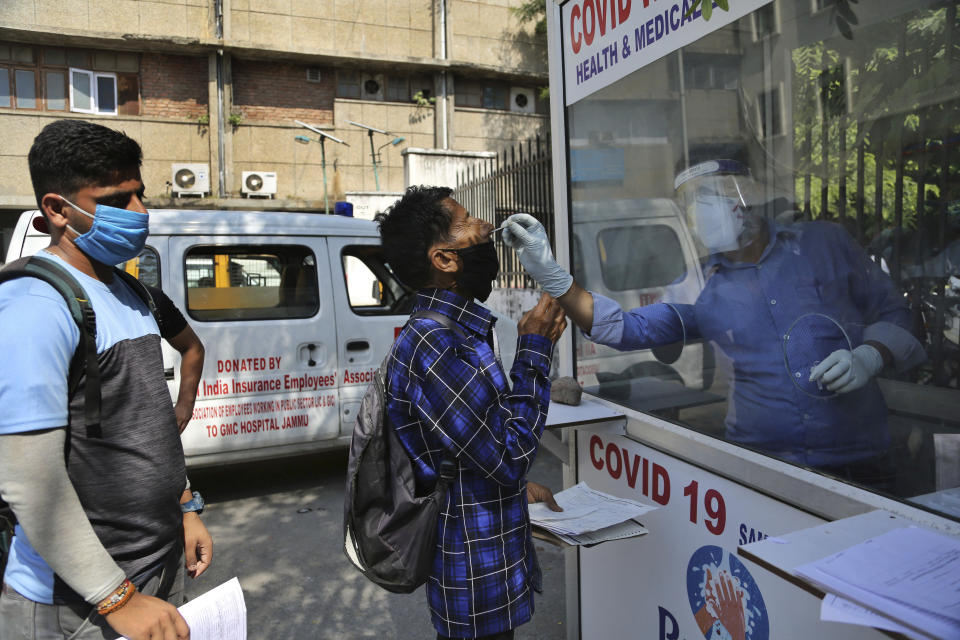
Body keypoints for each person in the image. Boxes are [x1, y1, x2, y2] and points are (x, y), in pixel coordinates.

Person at [503, 160, 926, 490]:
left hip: (863, 464)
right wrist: (552, 274)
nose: (697, 212)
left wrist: (871, 356)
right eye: (690, 202)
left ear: (745, 196)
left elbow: (898, 314)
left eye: (709, 195)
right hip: (762, 465)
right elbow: (625, 329)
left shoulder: (823, 244)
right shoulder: (702, 285)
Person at [0, 119, 212, 640]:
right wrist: (115, 597)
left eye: (140, 194)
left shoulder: (129, 290)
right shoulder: (34, 305)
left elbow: (144, 424)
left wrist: (186, 507)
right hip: (79, 603)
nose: (140, 213)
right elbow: (30, 479)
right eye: (118, 199)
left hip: (151, 576)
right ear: (57, 209)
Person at [375, 186, 567, 640]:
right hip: (473, 569)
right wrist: (535, 348)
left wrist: (517, 490)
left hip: (490, 552)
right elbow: (508, 457)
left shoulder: (459, 332)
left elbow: (475, 449)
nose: (486, 227)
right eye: (468, 222)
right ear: (444, 260)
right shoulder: (434, 344)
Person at [144, 284, 205, 433]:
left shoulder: (146, 296)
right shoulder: (79, 302)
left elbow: (193, 348)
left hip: (154, 436)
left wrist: (185, 404)